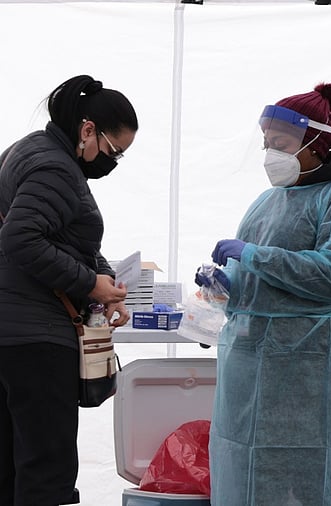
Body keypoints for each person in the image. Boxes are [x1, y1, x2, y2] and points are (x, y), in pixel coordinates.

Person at [196, 82, 331, 505]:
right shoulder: (269, 200)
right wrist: (227, 287)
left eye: (280, 144)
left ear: (315, 142)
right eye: (266, 143)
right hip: (255, 356)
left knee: (309, 465)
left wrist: (255, 255)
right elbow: (259, 279)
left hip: (311, 359)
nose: (269, 154)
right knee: (251, 465)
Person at [0, 75, 137, 506]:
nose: (112, 162)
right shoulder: (56, 167)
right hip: (35, 338)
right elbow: (22, 239)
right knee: (48, 467)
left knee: (14, 462)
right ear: (87, 129)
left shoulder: (32, 149)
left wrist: (104, 280)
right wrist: (88, 283)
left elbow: (62, 238)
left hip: (13, 332)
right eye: (114, 151)